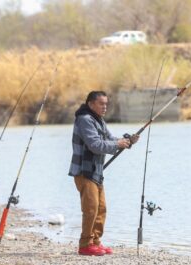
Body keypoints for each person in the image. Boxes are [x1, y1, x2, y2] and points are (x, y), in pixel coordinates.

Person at [69, 91, 139, 256]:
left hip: (96, 172)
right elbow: (95, 145)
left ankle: (95, 242)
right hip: (84, 172)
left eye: (106, 104)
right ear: (91, 104)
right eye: (101, 104)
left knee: (101, 209)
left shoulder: (98, 119)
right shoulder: (85, 119)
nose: (105, 107)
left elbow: (109, 139)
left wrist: (128, 142)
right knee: (91, 209)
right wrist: (117, 143)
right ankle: (85, 245)